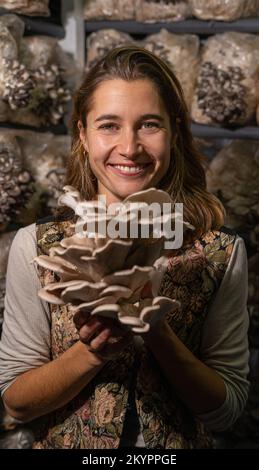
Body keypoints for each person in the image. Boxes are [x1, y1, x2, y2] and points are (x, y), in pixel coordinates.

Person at [0, 45, 249, 449]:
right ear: (82, 132)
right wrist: (92, 353)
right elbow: (17, 401)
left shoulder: (220, 253)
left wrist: (156, 331)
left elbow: (226, 410)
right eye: (109, 125)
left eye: (149, 124)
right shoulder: (37, 246)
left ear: (175, 131)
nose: (130, 147)